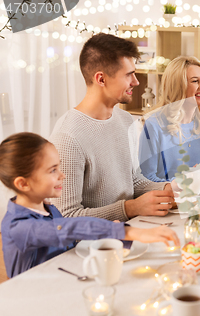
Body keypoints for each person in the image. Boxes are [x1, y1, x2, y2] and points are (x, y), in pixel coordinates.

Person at [0, 133, 180, 278]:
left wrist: (109, 237)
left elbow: (69, 245)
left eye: (59, 167)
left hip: (64, 279)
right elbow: (69, 229)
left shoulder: (48, 209)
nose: (62, 175)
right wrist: (133, 232)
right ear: (23, 184)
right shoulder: (20, 226)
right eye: (52, 170)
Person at [50, 33, 178, 222]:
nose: (136, 81)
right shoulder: (68, 136)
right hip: (93, 248)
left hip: (129, 233)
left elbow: (133, 181)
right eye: (129, 74)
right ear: (101, 79)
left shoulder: (125, 120)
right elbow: (66, 218)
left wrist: (169, 189)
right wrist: (130, 208)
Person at [138, 56, 200, 182]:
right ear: (178, 86)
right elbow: (146, 180)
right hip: (166, 199)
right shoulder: (154, 125)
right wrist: (182, 182)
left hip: (196, 198)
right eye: (195, 81)